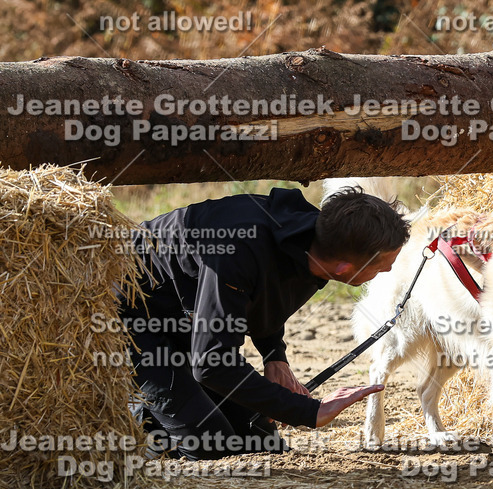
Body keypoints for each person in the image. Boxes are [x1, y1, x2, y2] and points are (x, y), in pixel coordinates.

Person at [120, 185, 409, 460]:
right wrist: (309, 411)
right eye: (383, 265)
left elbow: (266, 294)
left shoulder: (318, 243)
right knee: (212, 445)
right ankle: (137, 419)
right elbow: (211, 362)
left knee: (259, 439)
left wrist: (274, 356)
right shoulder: (238, 249)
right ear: (345, 267)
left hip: (190, 312)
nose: (389, 270)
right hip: (133, 313)